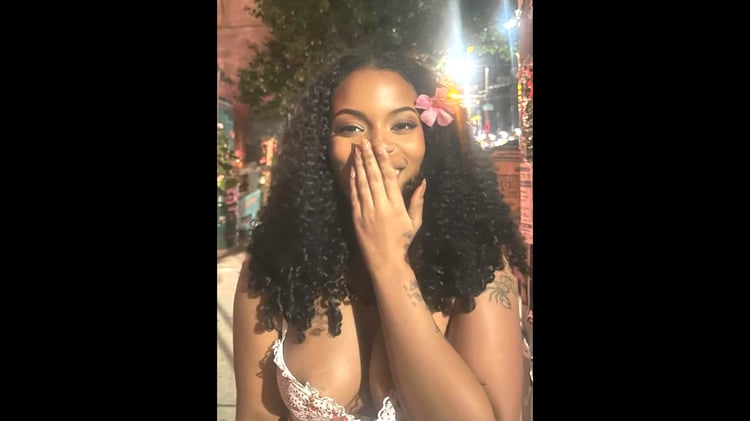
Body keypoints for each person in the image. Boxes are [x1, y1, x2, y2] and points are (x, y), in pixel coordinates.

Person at [233, 53, 530, 421]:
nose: (377, 146)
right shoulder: (275, 263)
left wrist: (390, 263)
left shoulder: (478, 261)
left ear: (431, 138)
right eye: (351, 128)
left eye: (402, 125)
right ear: (321, 145)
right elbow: (255, 413)